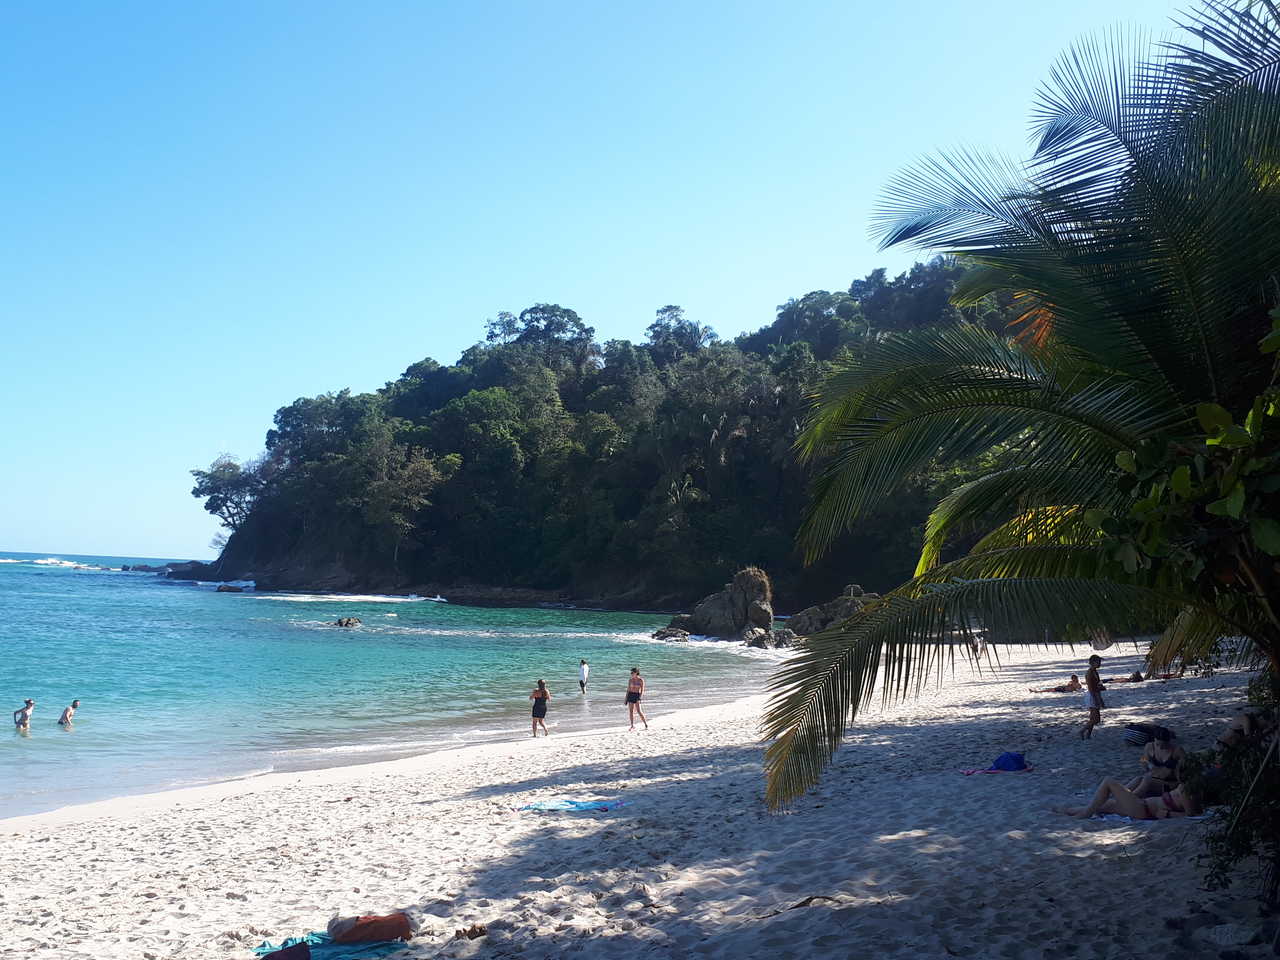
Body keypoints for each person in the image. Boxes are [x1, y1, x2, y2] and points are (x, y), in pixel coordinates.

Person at [1055, 777, 1201, 820]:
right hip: (1142, 805)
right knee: (1103, 805)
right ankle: (1067, 812)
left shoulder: (1186, 790)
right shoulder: (1150, 748)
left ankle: (1084, 814)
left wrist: (1168, 814)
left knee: (1108, 782)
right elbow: (1144, 761)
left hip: (1143, 809)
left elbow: (1190, 815)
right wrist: (1145, 762)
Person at [1125, 728, 1185, 797]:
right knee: (1138, 779)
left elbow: (1187, 768)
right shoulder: (1149, 746)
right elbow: (1143, 760)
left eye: (1163, 745)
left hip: (1170, 783)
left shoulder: (1177, 751)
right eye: (1157, 744)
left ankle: (1129, 799)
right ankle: (1120, 794)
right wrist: (1146, 764)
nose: (1160, 747)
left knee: (1147, 780)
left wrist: (1176, 769)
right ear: (1154, 739)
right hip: (1154, 778)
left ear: (1169, 741)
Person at [1081, 655, 1105, 739]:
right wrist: (1096, 699)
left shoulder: (1094, 671)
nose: (1100, 663)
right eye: (1098, 662)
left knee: (1093, 718)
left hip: (1095, 693)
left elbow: (1096, 684)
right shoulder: (1090, 673)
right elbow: (1091, 687)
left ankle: (1088, 735)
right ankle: (1082, 731)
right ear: (1093, 662)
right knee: (1096, 719)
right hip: (1092, 695)